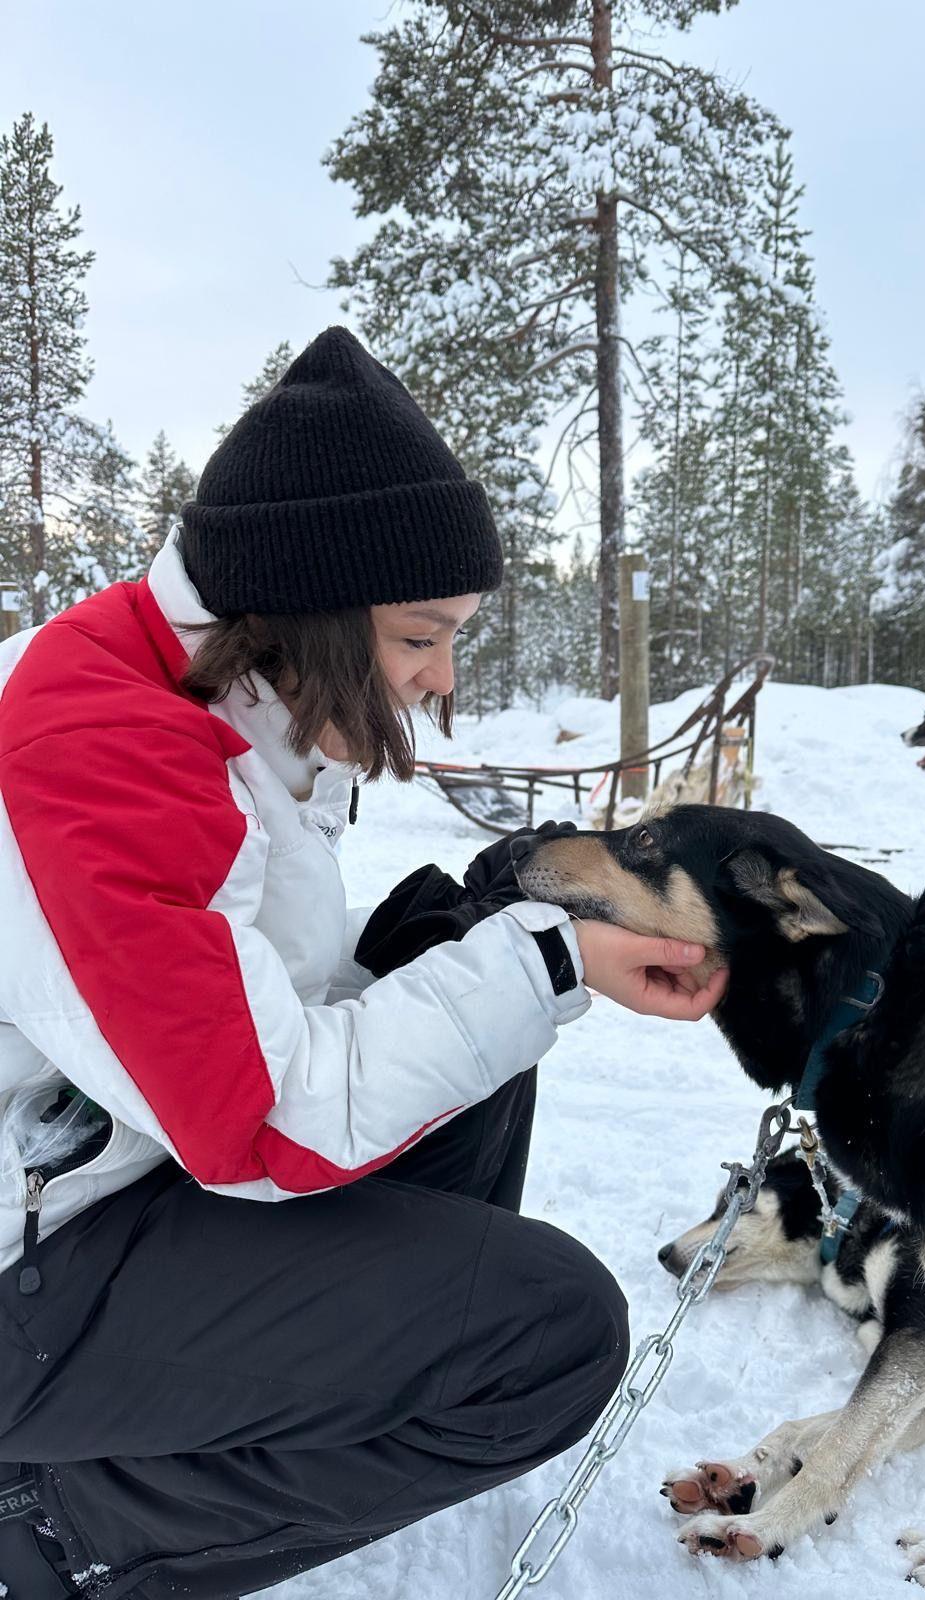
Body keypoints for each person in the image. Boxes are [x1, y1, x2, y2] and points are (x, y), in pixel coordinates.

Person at [0, 327, 727, 1599]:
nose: (445, 680)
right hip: (32, 1256)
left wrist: (498, 942)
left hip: (108, 1172)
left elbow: (270, 1012)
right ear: (310, 612)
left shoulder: (234, 710)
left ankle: (312, 1390)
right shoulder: (100, 746)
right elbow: (260, 1125)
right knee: (548, 1335)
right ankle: (56, 1527)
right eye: (419, 639)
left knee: (465, 1004)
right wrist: (546, 964)